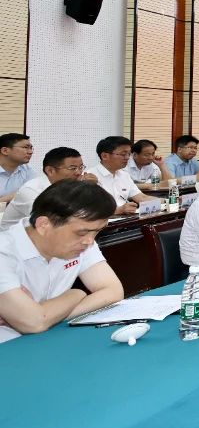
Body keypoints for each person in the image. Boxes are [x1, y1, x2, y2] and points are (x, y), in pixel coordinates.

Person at [0, 179, 123, 342]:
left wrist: (46, 316)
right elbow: (33, 323)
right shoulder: (4, 251)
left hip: (46, 339)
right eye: (81, 233)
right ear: (43, 225)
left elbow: (113, 291)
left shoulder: (82, 242)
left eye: (97, 232)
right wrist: (77, 294)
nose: (90, 241)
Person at [1, 147, 88, 231]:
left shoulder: (71, 186)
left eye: (81, 167)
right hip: (14, 237)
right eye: (72, 168)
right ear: (50, 170)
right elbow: (49, 221)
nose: (79, 172)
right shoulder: (31, 190)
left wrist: (90, 188)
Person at [86, 136, 159, 215]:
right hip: (104, 220)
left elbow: (142, 197)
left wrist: (166, 202)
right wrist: (118, 210)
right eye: (123, 154)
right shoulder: (89, 177)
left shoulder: (124, 175)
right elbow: (88, 209)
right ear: (104, 156)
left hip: (126, 219)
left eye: (129, 154)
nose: (127, 158)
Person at [0, 133, 35, 205]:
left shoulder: (27, 169)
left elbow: (34, 193)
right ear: (5, 151)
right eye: (25, 147)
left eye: (31, 148)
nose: (30, 152)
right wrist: (18, 195)